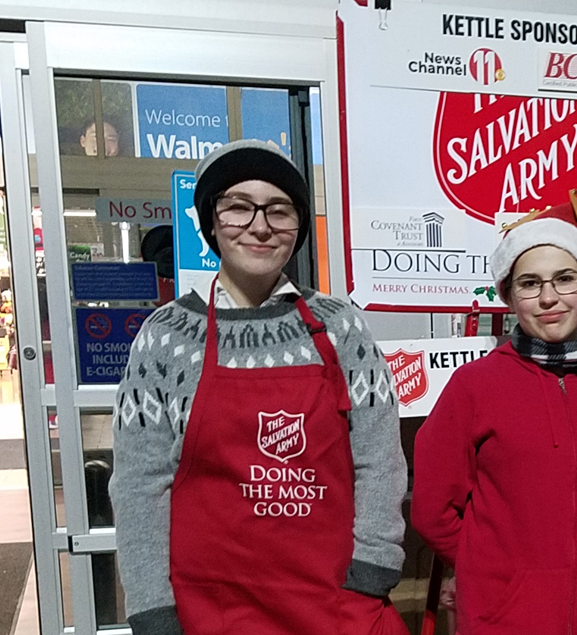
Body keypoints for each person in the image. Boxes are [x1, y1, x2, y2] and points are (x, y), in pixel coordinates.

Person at [109, 139, 408, 635]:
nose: (260, 226)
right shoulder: (165, 338)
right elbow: (140, 486)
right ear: (211, 222)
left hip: (331, 604)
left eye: (279, 210)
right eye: (238, 207)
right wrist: (152, 609)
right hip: (208, 611)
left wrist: (372, 574)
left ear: (299, 226)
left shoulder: (341, 328)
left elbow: (379, 459)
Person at [412, 191, 577, 635]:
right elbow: (433, 511)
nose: (549, 297)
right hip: (504, 621)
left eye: (565, 279)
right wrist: (494, 573)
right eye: (530, 284)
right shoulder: (475, 387)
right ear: (510, 296)